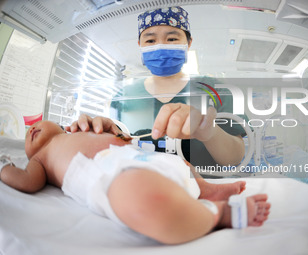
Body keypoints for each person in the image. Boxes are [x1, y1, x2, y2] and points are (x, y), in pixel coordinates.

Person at [0, 121, 270, 244]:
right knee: (146, 201)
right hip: (109, 172)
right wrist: (6, 168)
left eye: (35, 125)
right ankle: (218, 214)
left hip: (138, 156)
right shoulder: (41, 159)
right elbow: (27, 181)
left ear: (60, 125)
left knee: (181, 164)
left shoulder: (76, 130)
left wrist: (116, 133)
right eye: (26, 138)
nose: (31, 131)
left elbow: (127, 138)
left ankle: (206, 189)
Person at [67, 6, 248, 169]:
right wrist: (98, 135)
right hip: (144, 191)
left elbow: (236, 157)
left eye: (171, 38)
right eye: (150, 41)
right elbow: (119, 150)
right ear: (140, 45)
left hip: (205, 193)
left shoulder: (215, 90)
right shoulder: (124, 96)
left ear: (188, 43)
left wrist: (210, 133)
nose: (161, 46)